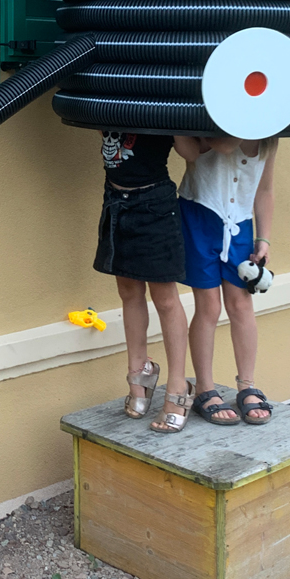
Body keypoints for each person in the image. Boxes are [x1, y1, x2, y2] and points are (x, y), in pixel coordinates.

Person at [172, 133, 278, 426]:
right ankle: (205, 388)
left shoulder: (269, 138)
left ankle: (247, 385)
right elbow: (201, 149)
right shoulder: (211, 128)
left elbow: (264, 189)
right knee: (208, 307)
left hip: (240, 226)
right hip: (199, 217)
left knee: (241, 305)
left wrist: (263, 238)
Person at [95, 130, 192, 433]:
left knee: (164, 298)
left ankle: (178, 386)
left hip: (154, 202)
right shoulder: (114, 97)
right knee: (128, 291)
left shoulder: (157, 93)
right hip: (115, 199)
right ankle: (139, 372)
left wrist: (175, 119)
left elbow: (190, 152)